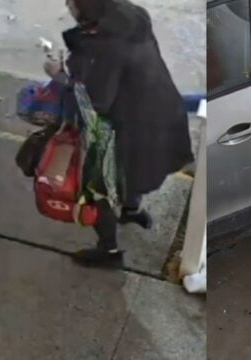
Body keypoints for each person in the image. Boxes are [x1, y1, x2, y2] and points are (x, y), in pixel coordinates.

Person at [45, 0, 194, 267]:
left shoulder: (104, 46)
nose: (67, 5)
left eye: (72, 2)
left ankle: (109, 251)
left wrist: (59, 75)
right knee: (137, 174)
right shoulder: (133, 18)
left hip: (130, 128)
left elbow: (97, 100)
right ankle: (131, 210)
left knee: (100, 185)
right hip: (163, 114)